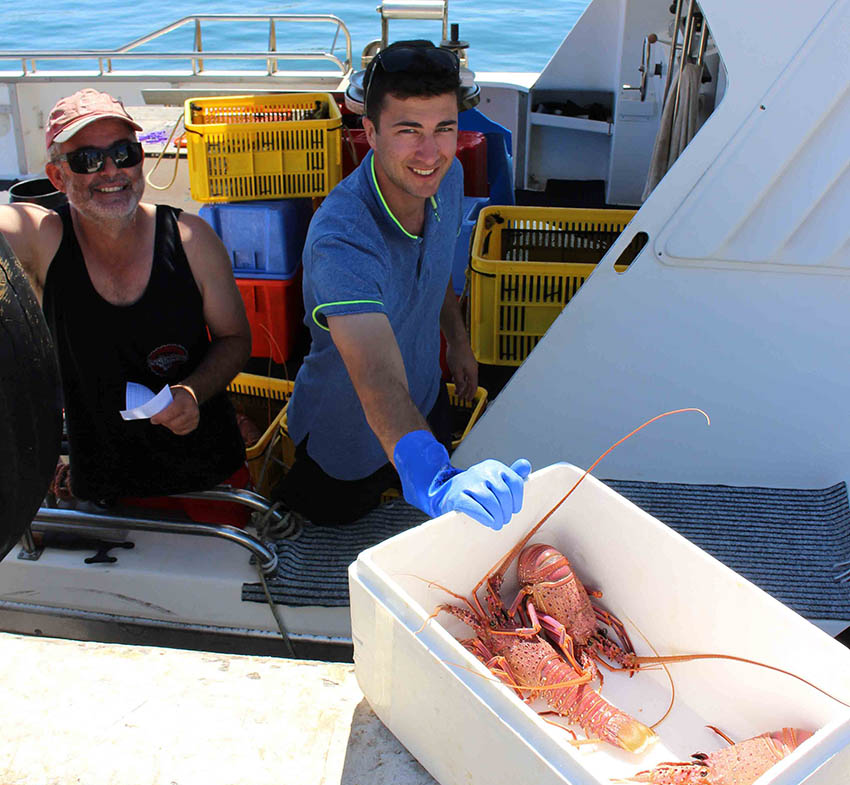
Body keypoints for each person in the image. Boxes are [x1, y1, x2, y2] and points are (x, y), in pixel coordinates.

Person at [278, 40, 531, 529]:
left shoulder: (450, 176)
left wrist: (458, 341)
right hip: (344, 435)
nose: (430, 153)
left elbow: (436, 270)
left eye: (445, 128)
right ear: (370, 132)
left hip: (426, 392)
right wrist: (432, 474)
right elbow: (375, 376)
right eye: (408, 130)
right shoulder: (342, 239)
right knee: (331, 541)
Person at [0, 89, 252, 512]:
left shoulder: (192, 238)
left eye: (124, 153)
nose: (111, 171)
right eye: (87, 160)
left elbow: (235, 339)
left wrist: (192, 392)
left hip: (209, 475)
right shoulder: (44, 241)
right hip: (104, 485)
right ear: (59, 178)